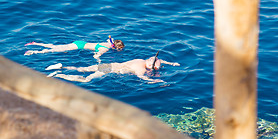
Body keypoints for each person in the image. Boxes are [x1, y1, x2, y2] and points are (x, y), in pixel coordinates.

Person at [46, 51, 180, 83]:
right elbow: (141, 77)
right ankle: (59, 75)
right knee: (86, 80)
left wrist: (171, 63)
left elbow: (158, 59)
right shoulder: (141, 69)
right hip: (109, 70)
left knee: (82, 69)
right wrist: (156, 81)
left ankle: (62, 67)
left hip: (109, 65)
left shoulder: (140, 60)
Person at [24, 36, 124, 60]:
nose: (120, 50)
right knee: (55, 49)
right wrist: (98, 60)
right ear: (116, 47)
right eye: (120, 48)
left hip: (81, 42)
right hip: (79, 46)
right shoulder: (105, 49)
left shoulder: (109, 43)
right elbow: (96, 56)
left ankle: (35, 43)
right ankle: (33, 52)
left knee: (56, 47)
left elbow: (109, 39)